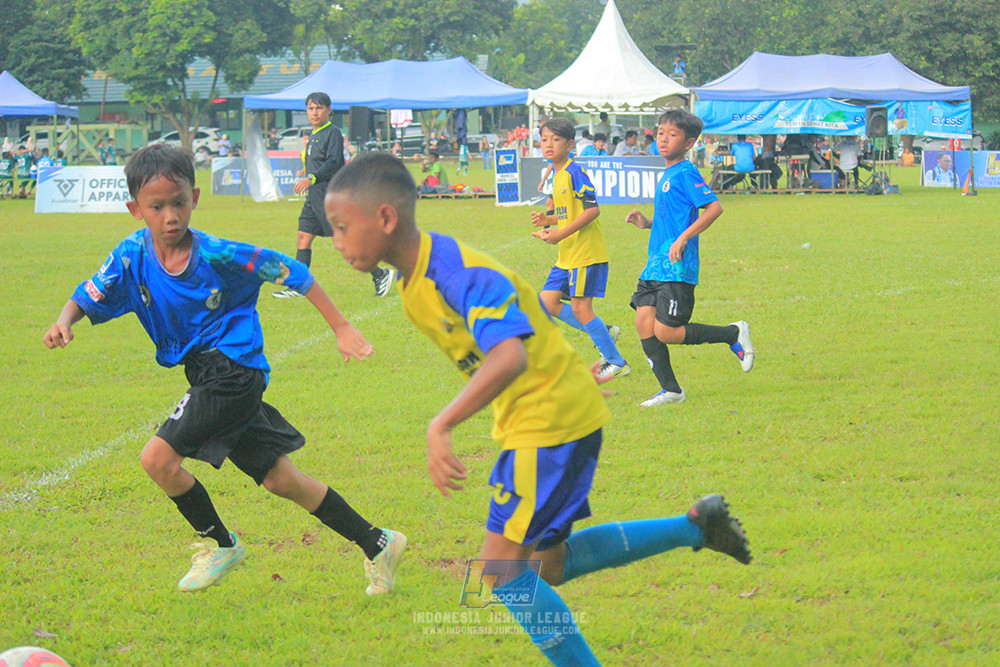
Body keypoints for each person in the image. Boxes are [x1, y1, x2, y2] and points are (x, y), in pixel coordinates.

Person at [324, 152, 752, 666]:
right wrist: (574, 374)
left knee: (501, 573)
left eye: (342, 227)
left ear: (386, 219)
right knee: (548, 566)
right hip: (550, 412)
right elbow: (530, 319)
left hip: (546, 424)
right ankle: (696, 526)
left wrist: (443, 424)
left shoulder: (451, 272)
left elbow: (509, 353)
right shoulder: (419, 283)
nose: (337, 241)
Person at [42, 144, 407, 595]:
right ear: (135, 209)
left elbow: (293, 271)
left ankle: (221, 544)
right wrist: (64, 321)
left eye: (178, 202)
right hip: (207, 374)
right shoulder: (130, 255)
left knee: (157, 459)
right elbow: (90, 291)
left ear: (194, 198)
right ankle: (378, 543)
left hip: (233, 371)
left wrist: (341, 326)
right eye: (157, 207)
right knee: (281, 480)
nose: (171, 215)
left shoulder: (216, 253)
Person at [625, 109, 755, 406]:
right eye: (660, 133)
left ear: (689, 143)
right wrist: (646, 223)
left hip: (676, 268)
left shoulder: (685, 172)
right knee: (643, 323)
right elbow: (670, 219)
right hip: (655, 264)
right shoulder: (668, 174)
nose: (663, 139)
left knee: (667, 332)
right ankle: (671, 390)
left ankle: (733, 333)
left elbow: (713, 208)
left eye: (672, 135)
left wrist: (684, 238)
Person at [531, 118, 628, 378]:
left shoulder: (575, 172)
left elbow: (592, 210)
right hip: (568, 254)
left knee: (581, 308)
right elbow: (568, 213)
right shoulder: (558, 174)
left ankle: (616, 361)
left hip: (585, 252)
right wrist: (549, 221)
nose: (548, 144)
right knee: (548, 302)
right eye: (544, 139)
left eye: (556, 139)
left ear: (570, 144)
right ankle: (604, 332)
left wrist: (560, 232)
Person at [273, 92, 394, 299]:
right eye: (311, 108)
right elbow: (318, 162)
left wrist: (312, 176)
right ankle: (299, 286)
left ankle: (379, 273)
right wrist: (306, 172)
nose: (314, 112)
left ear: (329, 110)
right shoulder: (313, 135)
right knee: (303, 237)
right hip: (314, 196)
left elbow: (333, 162)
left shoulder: (333, 133)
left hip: (329, 196)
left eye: (319, 108)